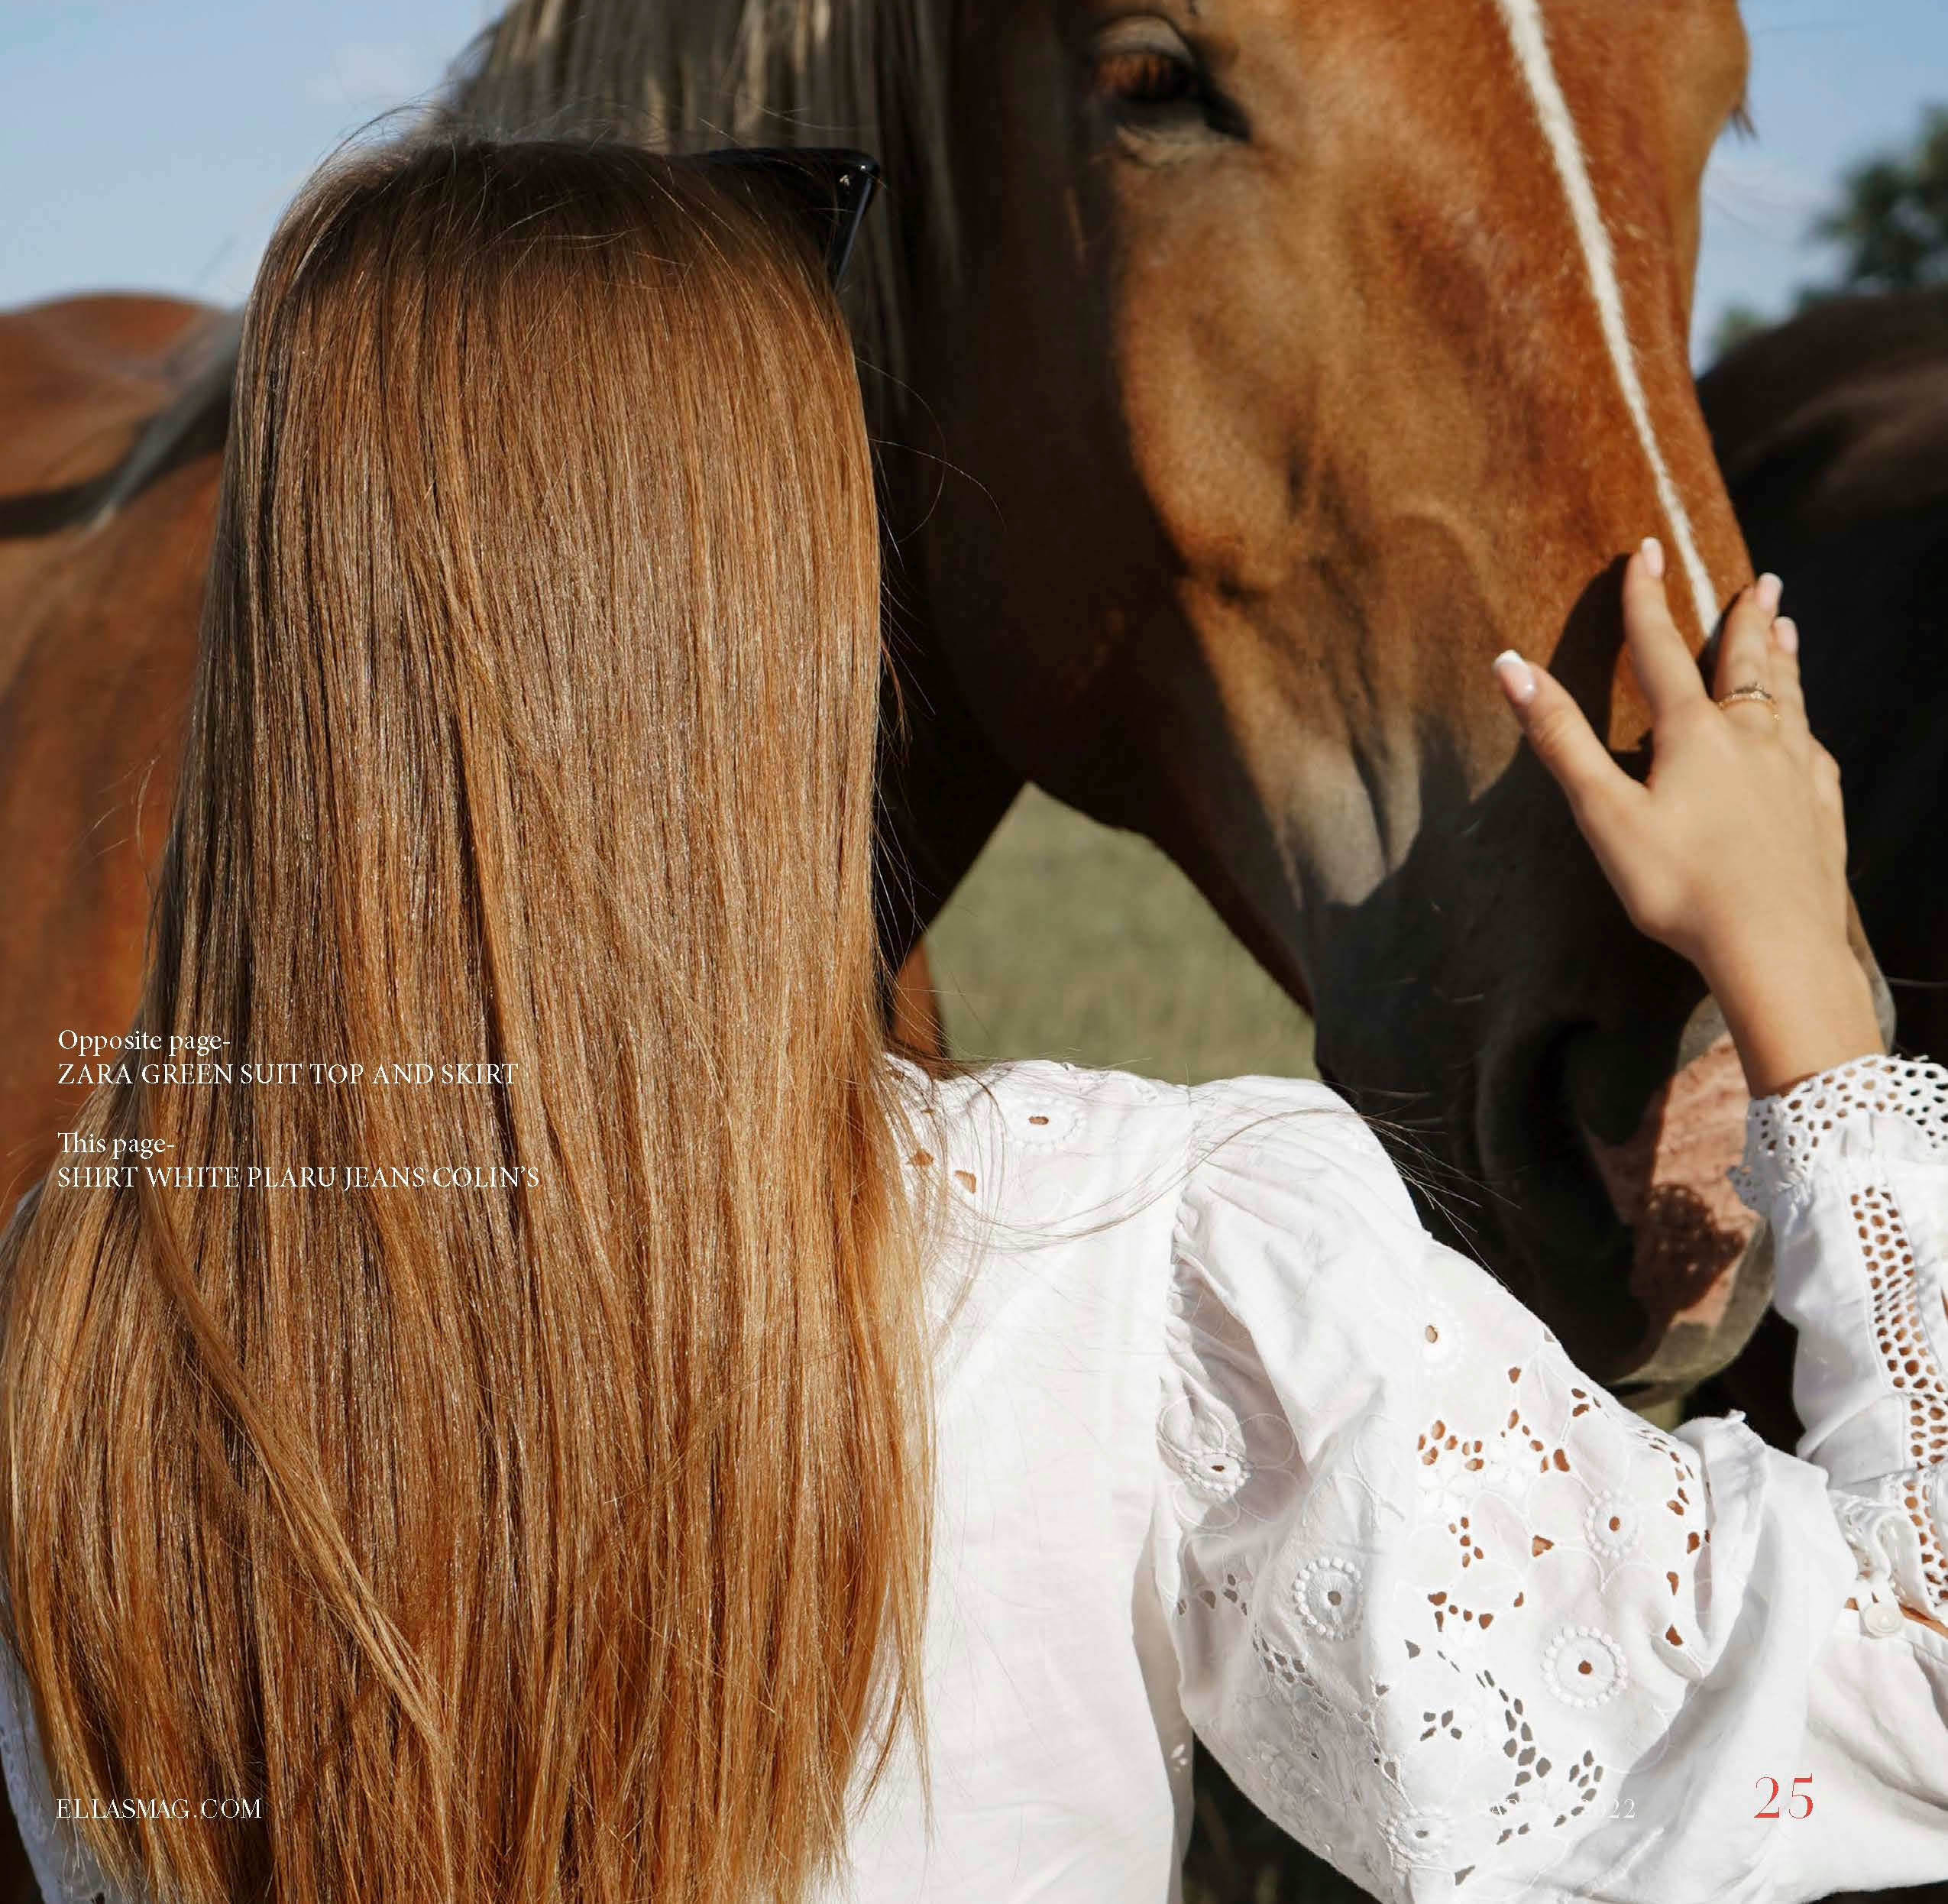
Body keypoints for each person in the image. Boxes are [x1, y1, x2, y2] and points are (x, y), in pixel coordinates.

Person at [0, 134, 1943, 1904]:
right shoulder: (1125, 1274)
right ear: (786, 626)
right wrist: (1807, 991)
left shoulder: (82, 1325)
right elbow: (1909, 1694)